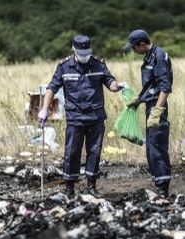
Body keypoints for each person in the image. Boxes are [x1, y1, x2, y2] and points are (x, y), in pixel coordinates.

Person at [38, 34, 125, 197]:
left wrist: (118, 86)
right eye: (81, 54)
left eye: (87, 53)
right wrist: (44, 109)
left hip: (95, 116)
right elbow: (51, 88)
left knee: (95, 151)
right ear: (74, 50)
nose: (85, 57)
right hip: (75, 117)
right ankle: (69, 187)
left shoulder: (99, 65)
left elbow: (110, 83)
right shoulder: (64, 67)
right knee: (72, 151)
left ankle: (91, 186)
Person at [124, 29, 173, 197]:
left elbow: (165, 87)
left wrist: (157, 112)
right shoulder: (150, 56)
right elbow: (151, 85)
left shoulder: (159, 56)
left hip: (157, 107)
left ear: (142, 45)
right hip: (150, 104)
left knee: (157, 146)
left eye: (134, 48)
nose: (133, 51)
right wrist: (139, 99)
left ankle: (163, 187)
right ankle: (158, 182)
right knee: (151, 146)